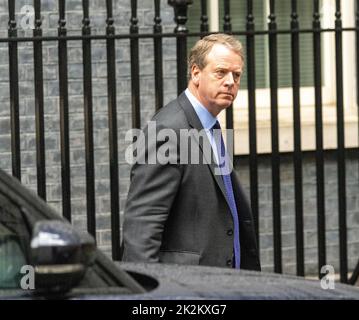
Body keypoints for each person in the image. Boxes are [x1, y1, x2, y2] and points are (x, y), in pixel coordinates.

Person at [122, 33, 261, 271]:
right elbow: (142, 227)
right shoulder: (167, 131)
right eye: (221, 72)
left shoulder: (210, 127)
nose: (230, 82)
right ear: (196, 73)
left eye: (236, 75)